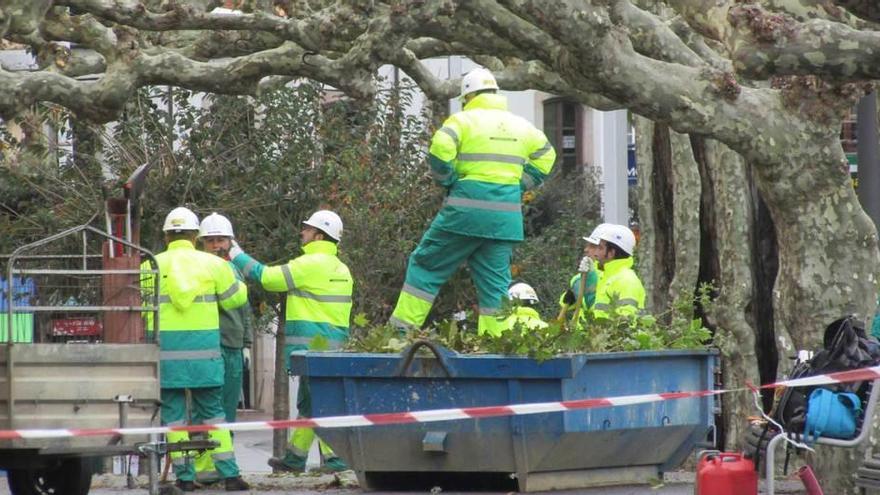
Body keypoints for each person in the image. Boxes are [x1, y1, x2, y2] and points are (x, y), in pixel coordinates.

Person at [389, 67, 556, 337]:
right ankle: (496, 344)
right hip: (505, 221)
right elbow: (547, 156)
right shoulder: (521, 125)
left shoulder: (462, 121)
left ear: (467, 96)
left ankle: (399, 336)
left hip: (464, 213)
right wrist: (518, 185)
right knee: (495, 289)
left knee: (425, 266)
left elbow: (440, 149)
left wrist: (448, 180)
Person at [228, 210, 353, 474]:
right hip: (333, 346)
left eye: (307, 229)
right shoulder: (341, 268)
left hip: (312, 349)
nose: (302, 232)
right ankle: (296, 459)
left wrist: (235, 253)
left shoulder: (310, 264)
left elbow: (267, 277)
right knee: (312, 403)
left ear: (320, 235)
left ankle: (334, 459)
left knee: (318, 404)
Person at [143, 207, 250, 492]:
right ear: (195, 235)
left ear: (166, 235)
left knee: (175, 418)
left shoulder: (150, 265)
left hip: (166, 357)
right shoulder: (215, 265)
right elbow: (234, 301)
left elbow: (140, 308)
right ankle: (231, 476)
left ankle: (185, 479)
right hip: (205, 355)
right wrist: (235, 272)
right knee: (214, 413)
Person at [193, 213, 254, 485]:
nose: (216, 245)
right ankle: (204, 468)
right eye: (211, 240)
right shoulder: (197, 269)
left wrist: (247, 344)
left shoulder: (235, 269)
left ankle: (222, 466)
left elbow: (245, 311)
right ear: (201, 243)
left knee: (226, 412)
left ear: (230, 241)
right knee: (204, 411)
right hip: (207, 345)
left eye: (221, 240)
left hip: (232, 347)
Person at [585, 223, 645, 319]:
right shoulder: (607, 278)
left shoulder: (626, 280)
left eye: (600, 248)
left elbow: (626, 325)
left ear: (611, 253)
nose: (595, 253)